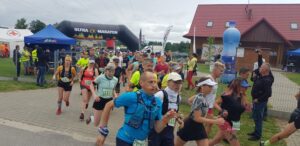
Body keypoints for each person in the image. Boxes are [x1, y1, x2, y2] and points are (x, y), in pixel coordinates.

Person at [97, 71, 177, 146]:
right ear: (141, 83)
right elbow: (108, 105)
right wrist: (103, 130)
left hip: (142, 143)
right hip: (124, 140)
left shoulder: (158, 102)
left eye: (155, 82)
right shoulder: (131, 97)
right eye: (150, 82)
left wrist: (166, 119)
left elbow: (157, 129)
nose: (154, 85)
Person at [175, 77, 225, 146]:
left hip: (199, 126)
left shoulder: (203, 97)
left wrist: (215, 118)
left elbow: (201, 115)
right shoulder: (199, 98)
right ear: (202, 87)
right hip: (190, 125)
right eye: (209, 86)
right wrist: (215, 121)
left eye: (212, 86)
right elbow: (197, 118)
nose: (211, 88)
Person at [209, 78, 249, 146]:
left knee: (218, 139)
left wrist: (248, 107)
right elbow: (214, 103)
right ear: (237, 86)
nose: (246, 88)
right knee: (234, 142)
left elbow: (245, 108)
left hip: (236, 122)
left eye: (246, 86)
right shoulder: (227, 95)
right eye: (244, 86)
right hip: (224, 121)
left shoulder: (243, 96)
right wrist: (222, 110)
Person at [148, 72, 184, 146]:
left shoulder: (178, 98)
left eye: (179, 83)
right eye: (175, 82)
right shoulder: (160, 95)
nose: (177, 85)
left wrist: (178, 118)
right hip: (157, 130)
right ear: (168, 83)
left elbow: (173, 112)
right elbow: (149, 109)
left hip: (169, 131)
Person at [248, 63, 274, 141]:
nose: (259, 68)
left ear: (265, 70)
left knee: (258, 118)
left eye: (261, 67)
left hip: (260, 102)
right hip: (255, 100)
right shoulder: (260, 77)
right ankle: (255, 131)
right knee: (255, 117)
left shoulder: (267, 80)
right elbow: (253, 80)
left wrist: (258, 99)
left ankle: (257, 135)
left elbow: (268, 93)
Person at [204, 61, 225, 134]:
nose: (221, 73)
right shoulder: (209, 79)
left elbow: (212, 97)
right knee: (205, 123)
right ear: (215, 69)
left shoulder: (215, 80)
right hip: (204, 106)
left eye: (222, 71)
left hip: (210, 107)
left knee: (209, 124)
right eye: (221, 71)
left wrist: (219, 109)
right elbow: (201, 94)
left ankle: (203, 139)